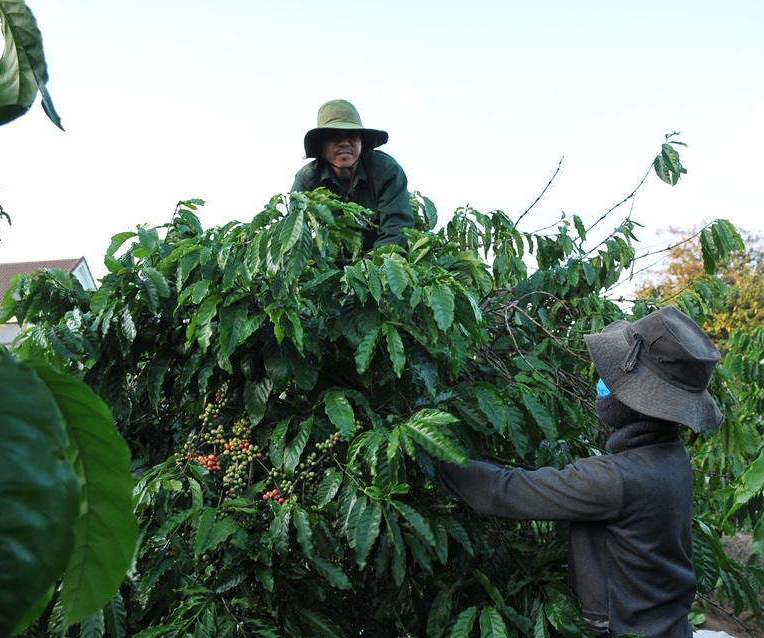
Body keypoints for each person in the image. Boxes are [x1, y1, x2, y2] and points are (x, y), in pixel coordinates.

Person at [437, 306, 725, 638]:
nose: (601, 384)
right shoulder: (672, 456)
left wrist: (432, 454)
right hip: (669, 625)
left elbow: (504, 491)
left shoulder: (614, 479)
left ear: (633, 402)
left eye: (611, 379)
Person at [291, 99, 414, 250]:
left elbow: (396, 230)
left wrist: (369, 270)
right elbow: (297, 237)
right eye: (334, 136)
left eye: (352, 135)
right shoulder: (307, 182)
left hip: (379, 263)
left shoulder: (386, 172)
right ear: (320, 145)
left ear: (362, 141)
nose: (344, 142)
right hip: (330, 264)